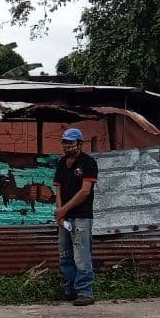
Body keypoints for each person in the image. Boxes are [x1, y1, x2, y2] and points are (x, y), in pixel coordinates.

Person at [53, 127, 98, 307]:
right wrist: (60, 213)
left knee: (81, 254)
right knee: (65, 254)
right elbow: (58, 189)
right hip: (65, 218)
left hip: (81, 217)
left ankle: (85, 292)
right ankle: (71, 289)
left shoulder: (88, 163)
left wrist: (64, 210)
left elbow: (84, 192)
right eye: (64, 142)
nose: (66, 146)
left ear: (79, 144)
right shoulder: (62, 163)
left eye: (70, 143)